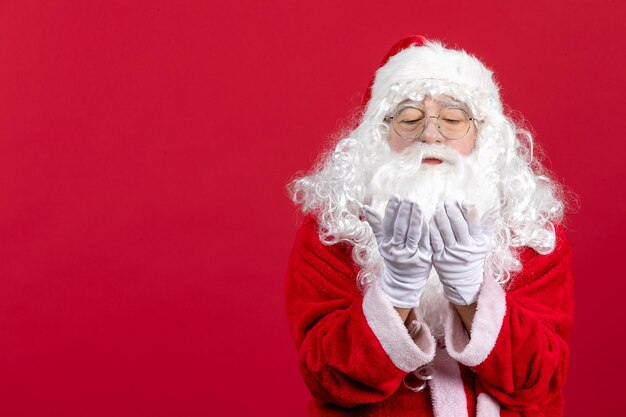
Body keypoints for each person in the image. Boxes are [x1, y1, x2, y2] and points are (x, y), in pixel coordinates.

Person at [285, 36, 573, 417]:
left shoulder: (531, 231)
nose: (431, 134)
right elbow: (326, 377)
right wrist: (395, 296)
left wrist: (472, 295)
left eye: (453, 119)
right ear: (380, 135)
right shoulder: (333, 231)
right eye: (408, 119)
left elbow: (540, 379)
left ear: (483, 135)